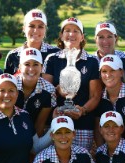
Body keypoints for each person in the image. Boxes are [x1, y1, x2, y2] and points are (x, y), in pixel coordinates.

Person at [42, 17, 102, 151]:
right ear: (61, 35)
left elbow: (95, 96)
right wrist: (58, 89)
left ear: (82, 37)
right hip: (56, 122)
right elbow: (45, 91)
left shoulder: (92, 61)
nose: (71, 34)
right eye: (67, 30)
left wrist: (83, 110)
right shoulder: (52, 59)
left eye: (76, 31)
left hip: (83, 125)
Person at [94, 54, 125, 146]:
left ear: (121, 72)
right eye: (104, 71)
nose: (108, 75)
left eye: (112, 70)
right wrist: (101, 152)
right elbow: (97, 130)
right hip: (106, 151)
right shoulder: (98, 97)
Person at [4, 9, 59, 75]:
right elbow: (7, 83)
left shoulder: (56, 54)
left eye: (40, 27)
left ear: (45, 29)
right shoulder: (13, 56)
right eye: (31, 26)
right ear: (24, 29)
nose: (36, 30)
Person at [16, 47, 57, 137]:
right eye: (27, 64)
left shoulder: (49, 90)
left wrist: (31, 146)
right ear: (20, 67)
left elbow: (39, 124)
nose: (31, 69)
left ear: (42, 67)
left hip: (33, 135)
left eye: (35, 64)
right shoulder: (11, 85)